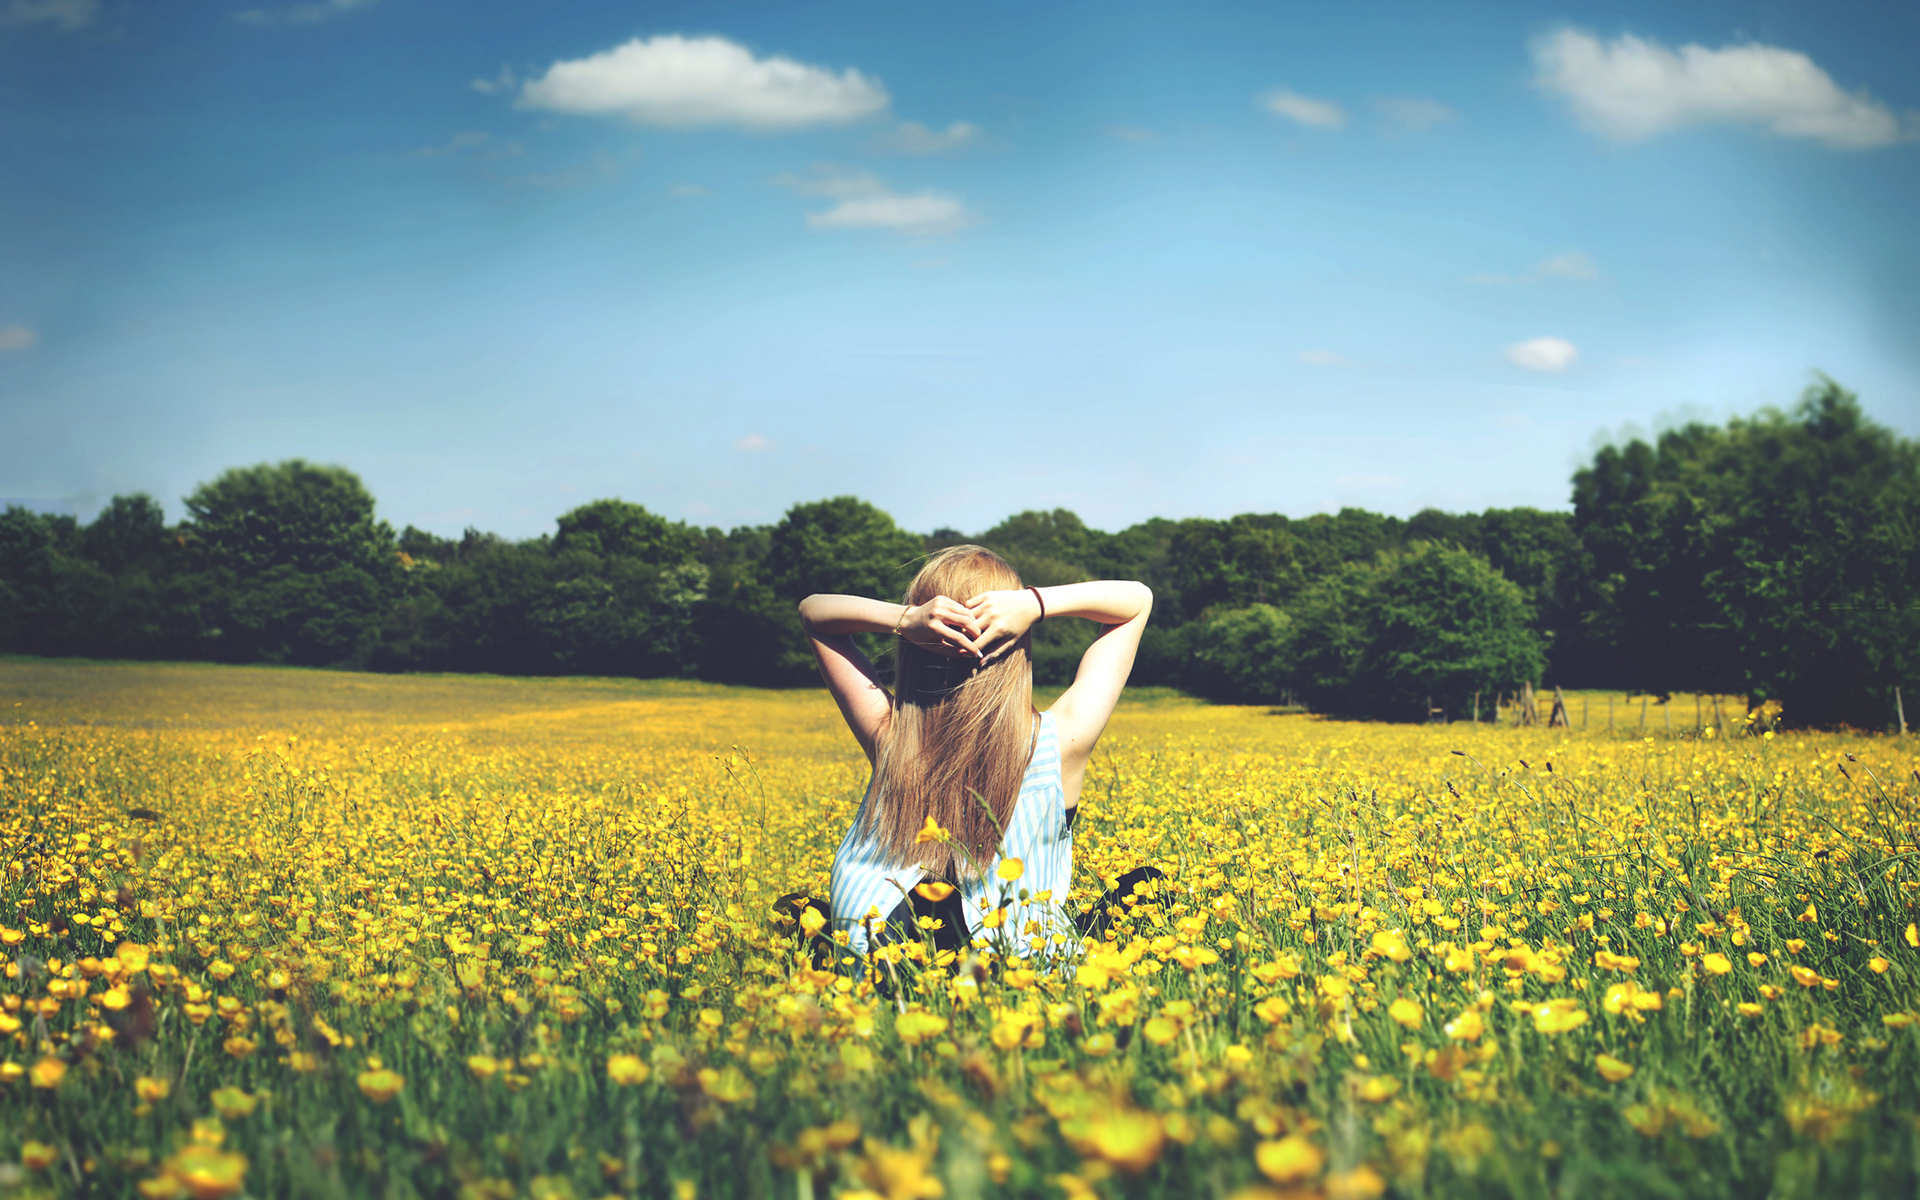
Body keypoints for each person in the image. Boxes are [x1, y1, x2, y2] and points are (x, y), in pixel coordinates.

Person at [781, 544, 1158, 968]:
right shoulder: (1062, 740)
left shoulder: (891, 737)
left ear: (917, 644)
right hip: (1014, 960)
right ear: (1019, 641)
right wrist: (1033, 603)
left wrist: (906, 619)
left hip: (881, 950)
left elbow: (813, 612)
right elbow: (1137, 600)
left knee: (797, 910)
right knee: (1146, 887)